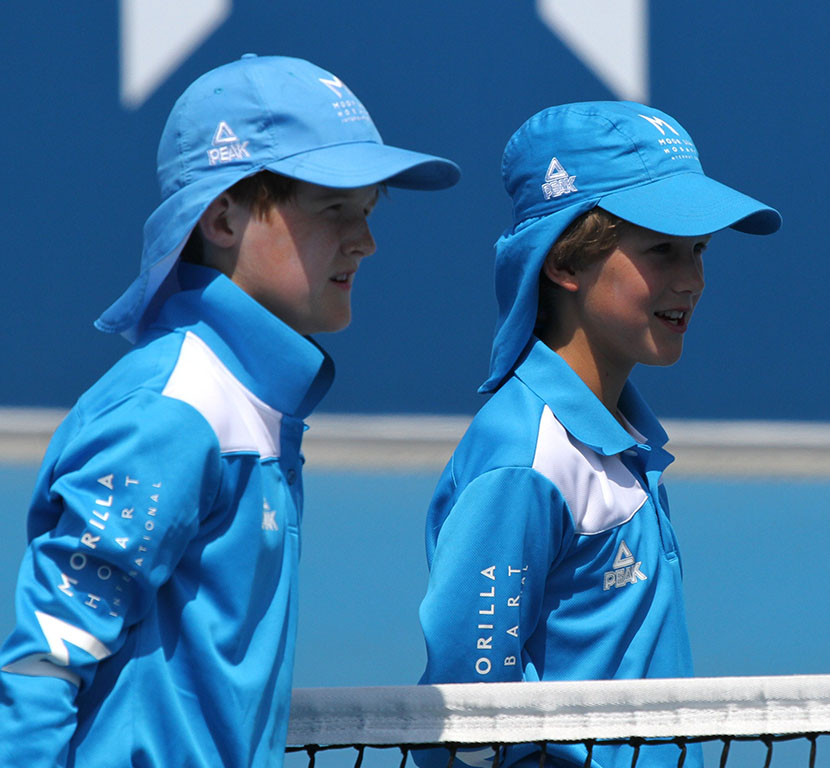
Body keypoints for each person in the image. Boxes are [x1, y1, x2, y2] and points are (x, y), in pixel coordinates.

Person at [0, 53, 459, 767]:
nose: (365, 241)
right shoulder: (174, 413)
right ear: (222, 218)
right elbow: (45, 661)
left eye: (366, 212)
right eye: (334, 208)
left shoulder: (245, 405)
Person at [417, 101, 780, 768]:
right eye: (662, 251)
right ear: (565, 262)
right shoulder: (526, 460)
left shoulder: (620, 438)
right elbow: (468, 726)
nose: (693, 281)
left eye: (698, 251)